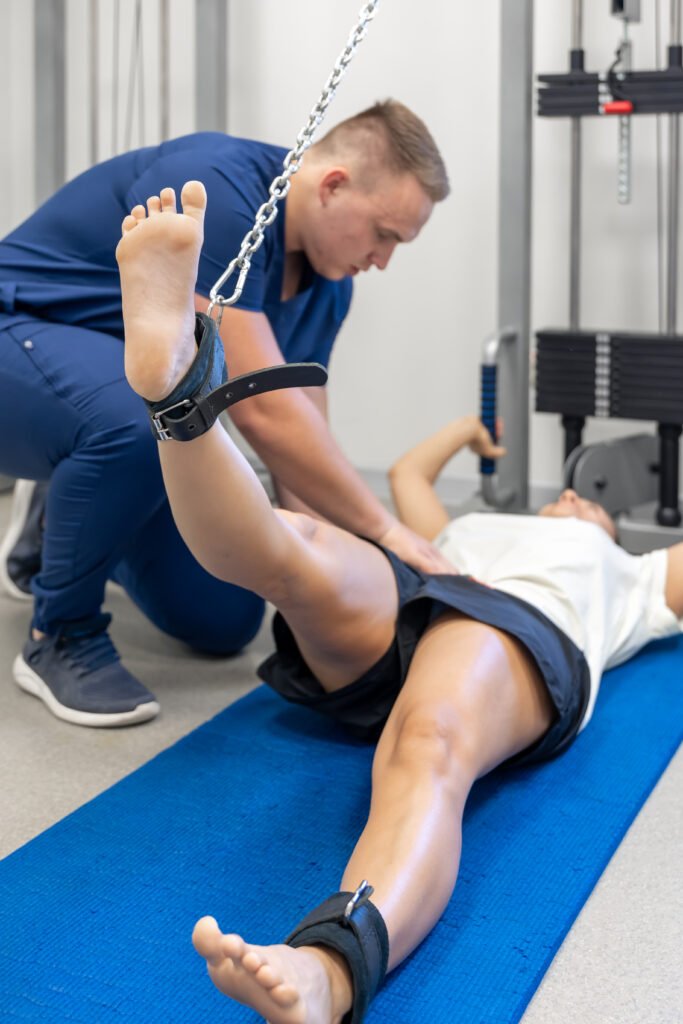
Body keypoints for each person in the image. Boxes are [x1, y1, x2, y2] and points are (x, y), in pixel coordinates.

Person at [116, 180, 682, 1023]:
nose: (573, 503)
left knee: (428, 743)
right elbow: (412, 481)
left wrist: (595, 526)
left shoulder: (630, 571)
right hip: (422, 590)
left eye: (589, 504)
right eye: (566, 497)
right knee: (295, 547)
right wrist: (472, 430)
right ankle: (178, 390)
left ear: (610, 525)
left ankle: (329, 970)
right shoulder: (481, 523)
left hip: (525, 633)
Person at [0, 100, 452, 727]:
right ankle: (60, 633)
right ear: (333, 185)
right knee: (140, 417)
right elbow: (265, 413)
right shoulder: (220, 185)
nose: (383, 260)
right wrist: (390, 532)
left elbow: (301, 442)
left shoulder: (330, 285)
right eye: (384, 234)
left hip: (100, 395)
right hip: (17, 338)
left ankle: (64, 520)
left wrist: (354, 576)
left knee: (227, 618)